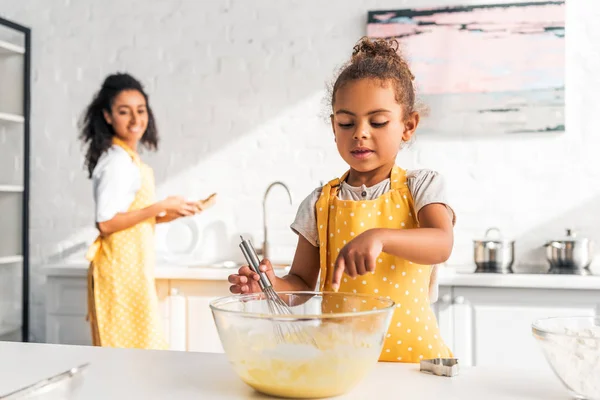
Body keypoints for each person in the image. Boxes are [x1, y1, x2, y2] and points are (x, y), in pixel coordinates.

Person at [228, 37, 455, 363]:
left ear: (408, 126)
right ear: (334, 127)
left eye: (377, 122)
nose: (360, 132)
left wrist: (380, 237)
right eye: (346, 122)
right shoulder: (320, 203)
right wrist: (271, 285)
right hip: (341, 363)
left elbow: (440, 243)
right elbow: (302, 282)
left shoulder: (421, 187)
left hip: (415, 365)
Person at [80, 73, 201, 349]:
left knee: (139, 354)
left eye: (140, 110)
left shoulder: (128, 158)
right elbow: (106, 223)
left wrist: (165, 215)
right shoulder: (116, 162)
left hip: (132, 269)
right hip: (120, 271)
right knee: (133, 354)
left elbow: (126, 216)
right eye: (124, 112)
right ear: (108, 116)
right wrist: (159, 206)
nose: (135, 120)